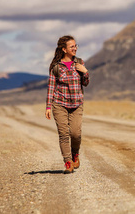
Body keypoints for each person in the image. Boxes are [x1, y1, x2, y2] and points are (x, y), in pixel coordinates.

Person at [45, 35, 90, 174]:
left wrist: (85, 72)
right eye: (72, 46)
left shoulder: (80, 62)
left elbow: (85, 84)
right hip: (60, 104)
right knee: (63, 134)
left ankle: (75, 153)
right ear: (64, 49)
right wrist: (48, 106)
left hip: (77, 103)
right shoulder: (56, 67)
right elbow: (51, 87)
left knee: (75, 134)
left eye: (76, 46)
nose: (75, 48)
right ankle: (68, 162)